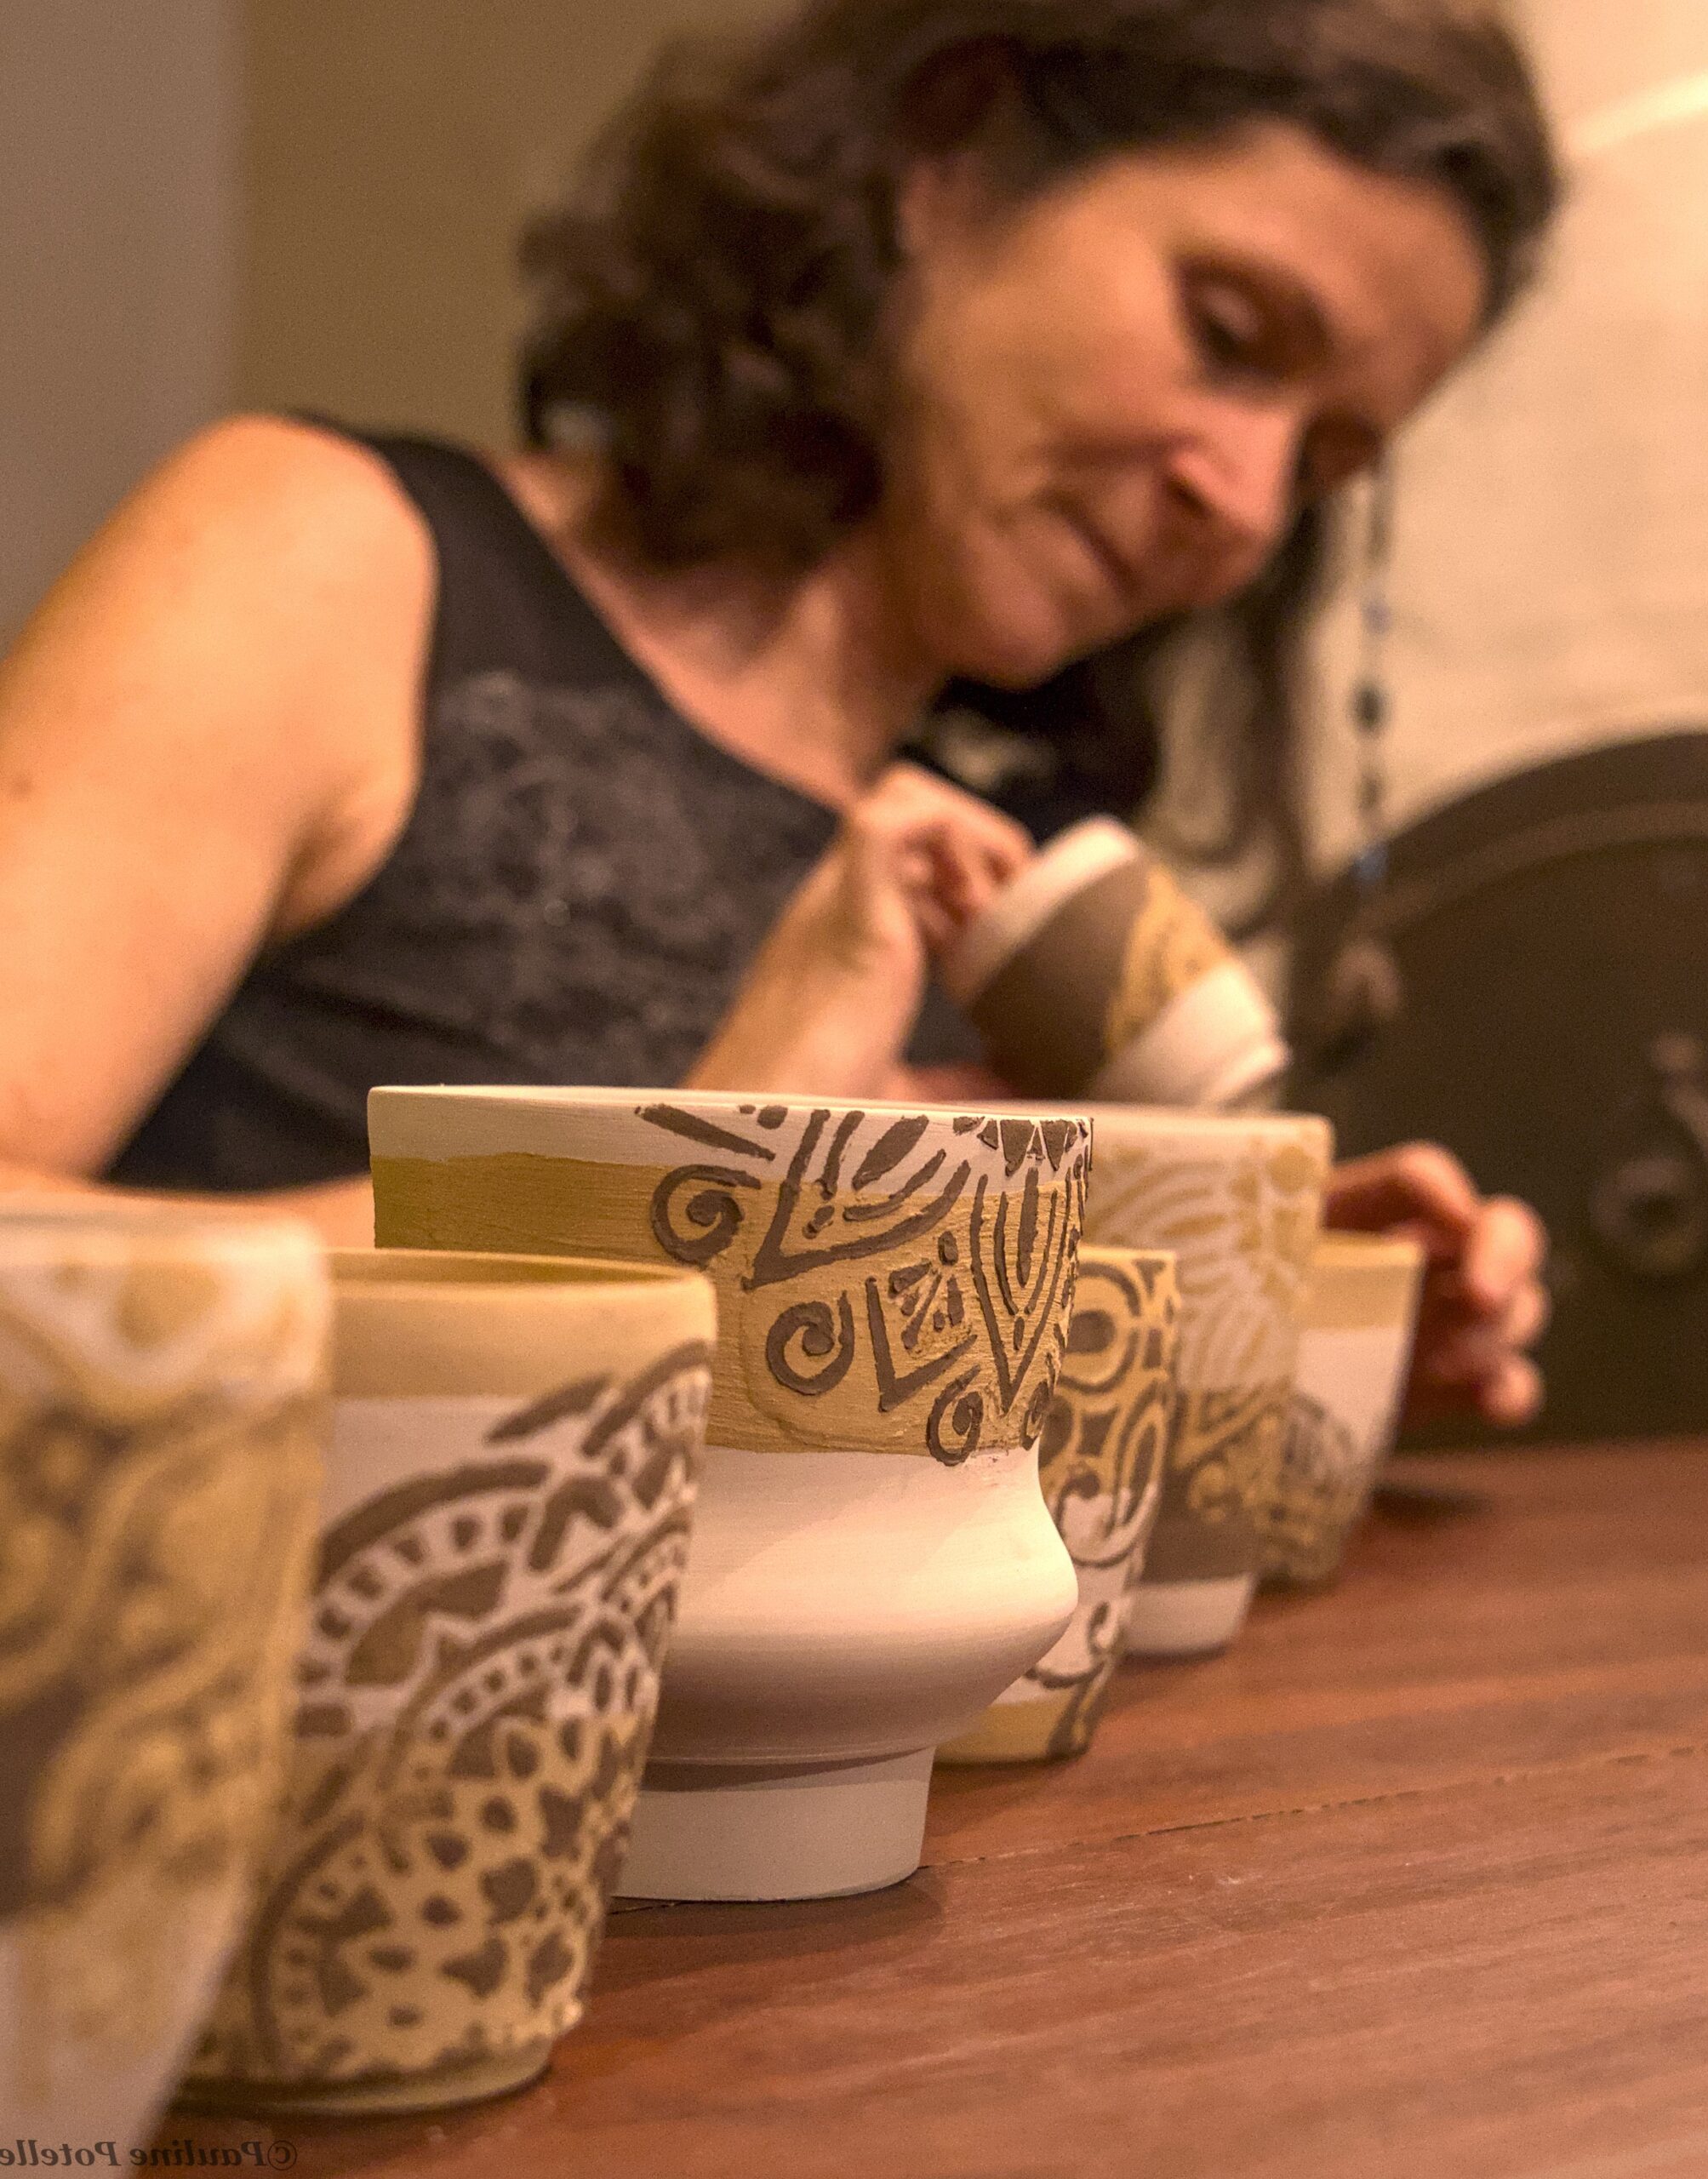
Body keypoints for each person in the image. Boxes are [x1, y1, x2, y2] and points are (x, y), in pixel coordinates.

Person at [0, 0, 1556, 1427]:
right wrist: (705, 1181)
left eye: (1329, 460)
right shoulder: (323, 558)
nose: (1246, 503)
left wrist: (1239, 1331)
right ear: (952, 158)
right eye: (1228, 334)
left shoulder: (987, 849)